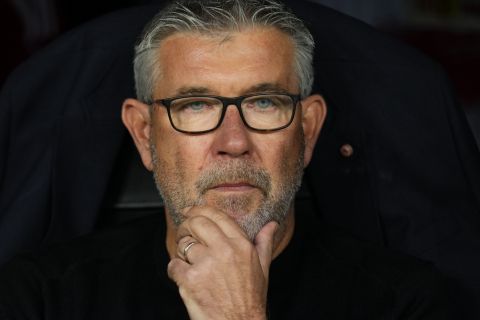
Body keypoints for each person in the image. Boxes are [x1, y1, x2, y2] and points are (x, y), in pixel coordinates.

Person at [0, 0, 452, 319]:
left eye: (265, 103)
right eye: (194, 106)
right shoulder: (38, 298)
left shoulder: (407, 303)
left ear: (308, 129)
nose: (233, 142)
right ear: (144, 135)